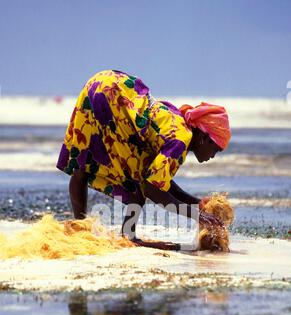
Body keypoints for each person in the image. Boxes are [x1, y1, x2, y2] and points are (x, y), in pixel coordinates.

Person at [57, 69, 231, 249]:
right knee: (138, 179)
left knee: (84, 164)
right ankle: (127, 235)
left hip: (103, 83)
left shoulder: (179, 125)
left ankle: (81, 229)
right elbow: (152, 189)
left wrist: (197, 203)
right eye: (215, 150)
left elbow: (160, 181)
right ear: (203, 138)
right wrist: (199, 216)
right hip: (114, 97)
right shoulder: (180, 141)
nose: (212, 156)